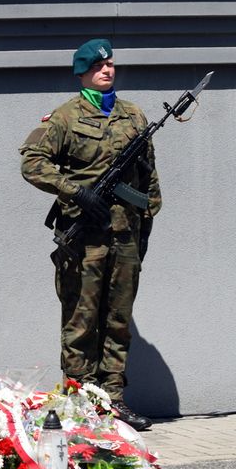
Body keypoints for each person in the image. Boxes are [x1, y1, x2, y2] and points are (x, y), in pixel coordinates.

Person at [20, 38, 159, 431]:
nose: (107, 70)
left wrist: (146, 219)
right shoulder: (64, 118)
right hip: (84, 240)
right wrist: (75, 191)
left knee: (118, 319)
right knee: (80, 322)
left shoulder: (133, 115)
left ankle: (113, 400)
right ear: (82, 73)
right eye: (98, 66)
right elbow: (32, 163)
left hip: (125, 236)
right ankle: (80, 400)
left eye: (110, 64)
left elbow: (148, 174)